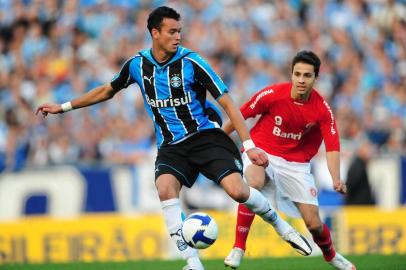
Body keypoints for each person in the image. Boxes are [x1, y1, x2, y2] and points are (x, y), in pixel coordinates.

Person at [36, 6, 311, 270]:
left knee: (238, 191)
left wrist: (249, 145)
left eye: (179, 31)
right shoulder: (137, 65)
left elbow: (227, 102)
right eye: (171, 32)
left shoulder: (192, 62)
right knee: (165, 189)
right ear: (155, 33)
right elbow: (108, 90)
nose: (177, 37)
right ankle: (192, 264)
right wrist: (63, 107)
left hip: (205, 137)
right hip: (170, 146)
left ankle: (280, 225)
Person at [223, 51, 356, 270]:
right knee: (253, 183)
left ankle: (331, 256)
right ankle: (239, 247)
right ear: (291, 75)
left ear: (315, 78)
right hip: (261, 150)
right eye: (297, 74)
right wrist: (216, 138)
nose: (301, 80)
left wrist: (336, 179)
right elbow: (240, 114)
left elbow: (332, 145)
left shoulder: (322, 109)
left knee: (314, 224)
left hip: (296, 166)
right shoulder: (273, 93)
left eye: (307, 75)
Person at [345, 140, 375, 205]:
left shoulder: (360, 165)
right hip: (358, 206)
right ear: (360, 151)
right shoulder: (357, 166)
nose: (369, 153)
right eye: (367, 151)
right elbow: (350, 185)